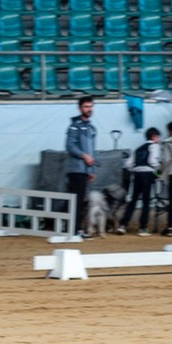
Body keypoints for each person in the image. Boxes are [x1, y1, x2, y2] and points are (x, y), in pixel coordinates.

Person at [116, 127, 161, 236]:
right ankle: (143, 227)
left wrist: (135, 169)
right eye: (158, 137)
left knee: (133, 200)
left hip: (137, 174)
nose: (159, 139)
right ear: (154, 136)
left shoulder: (138, 148)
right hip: (147, 174)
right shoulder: (154, 146)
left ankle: (123, 225)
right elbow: (152, 161)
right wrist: (157, 170)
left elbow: (128, 164)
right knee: (146, 201)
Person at [65, 96, 97, 238]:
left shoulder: (91, 128)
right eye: (86, 107)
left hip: (84, 170)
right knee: (76, 200)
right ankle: (73, 229)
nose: (89, 109)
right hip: (76, 169)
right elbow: (70, 146)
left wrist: (91, 170)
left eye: (91, 106)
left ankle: (76, 228)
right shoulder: (74, 126)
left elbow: (92, 152)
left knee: (81, 201)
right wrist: (84, 156)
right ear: (80, 108)